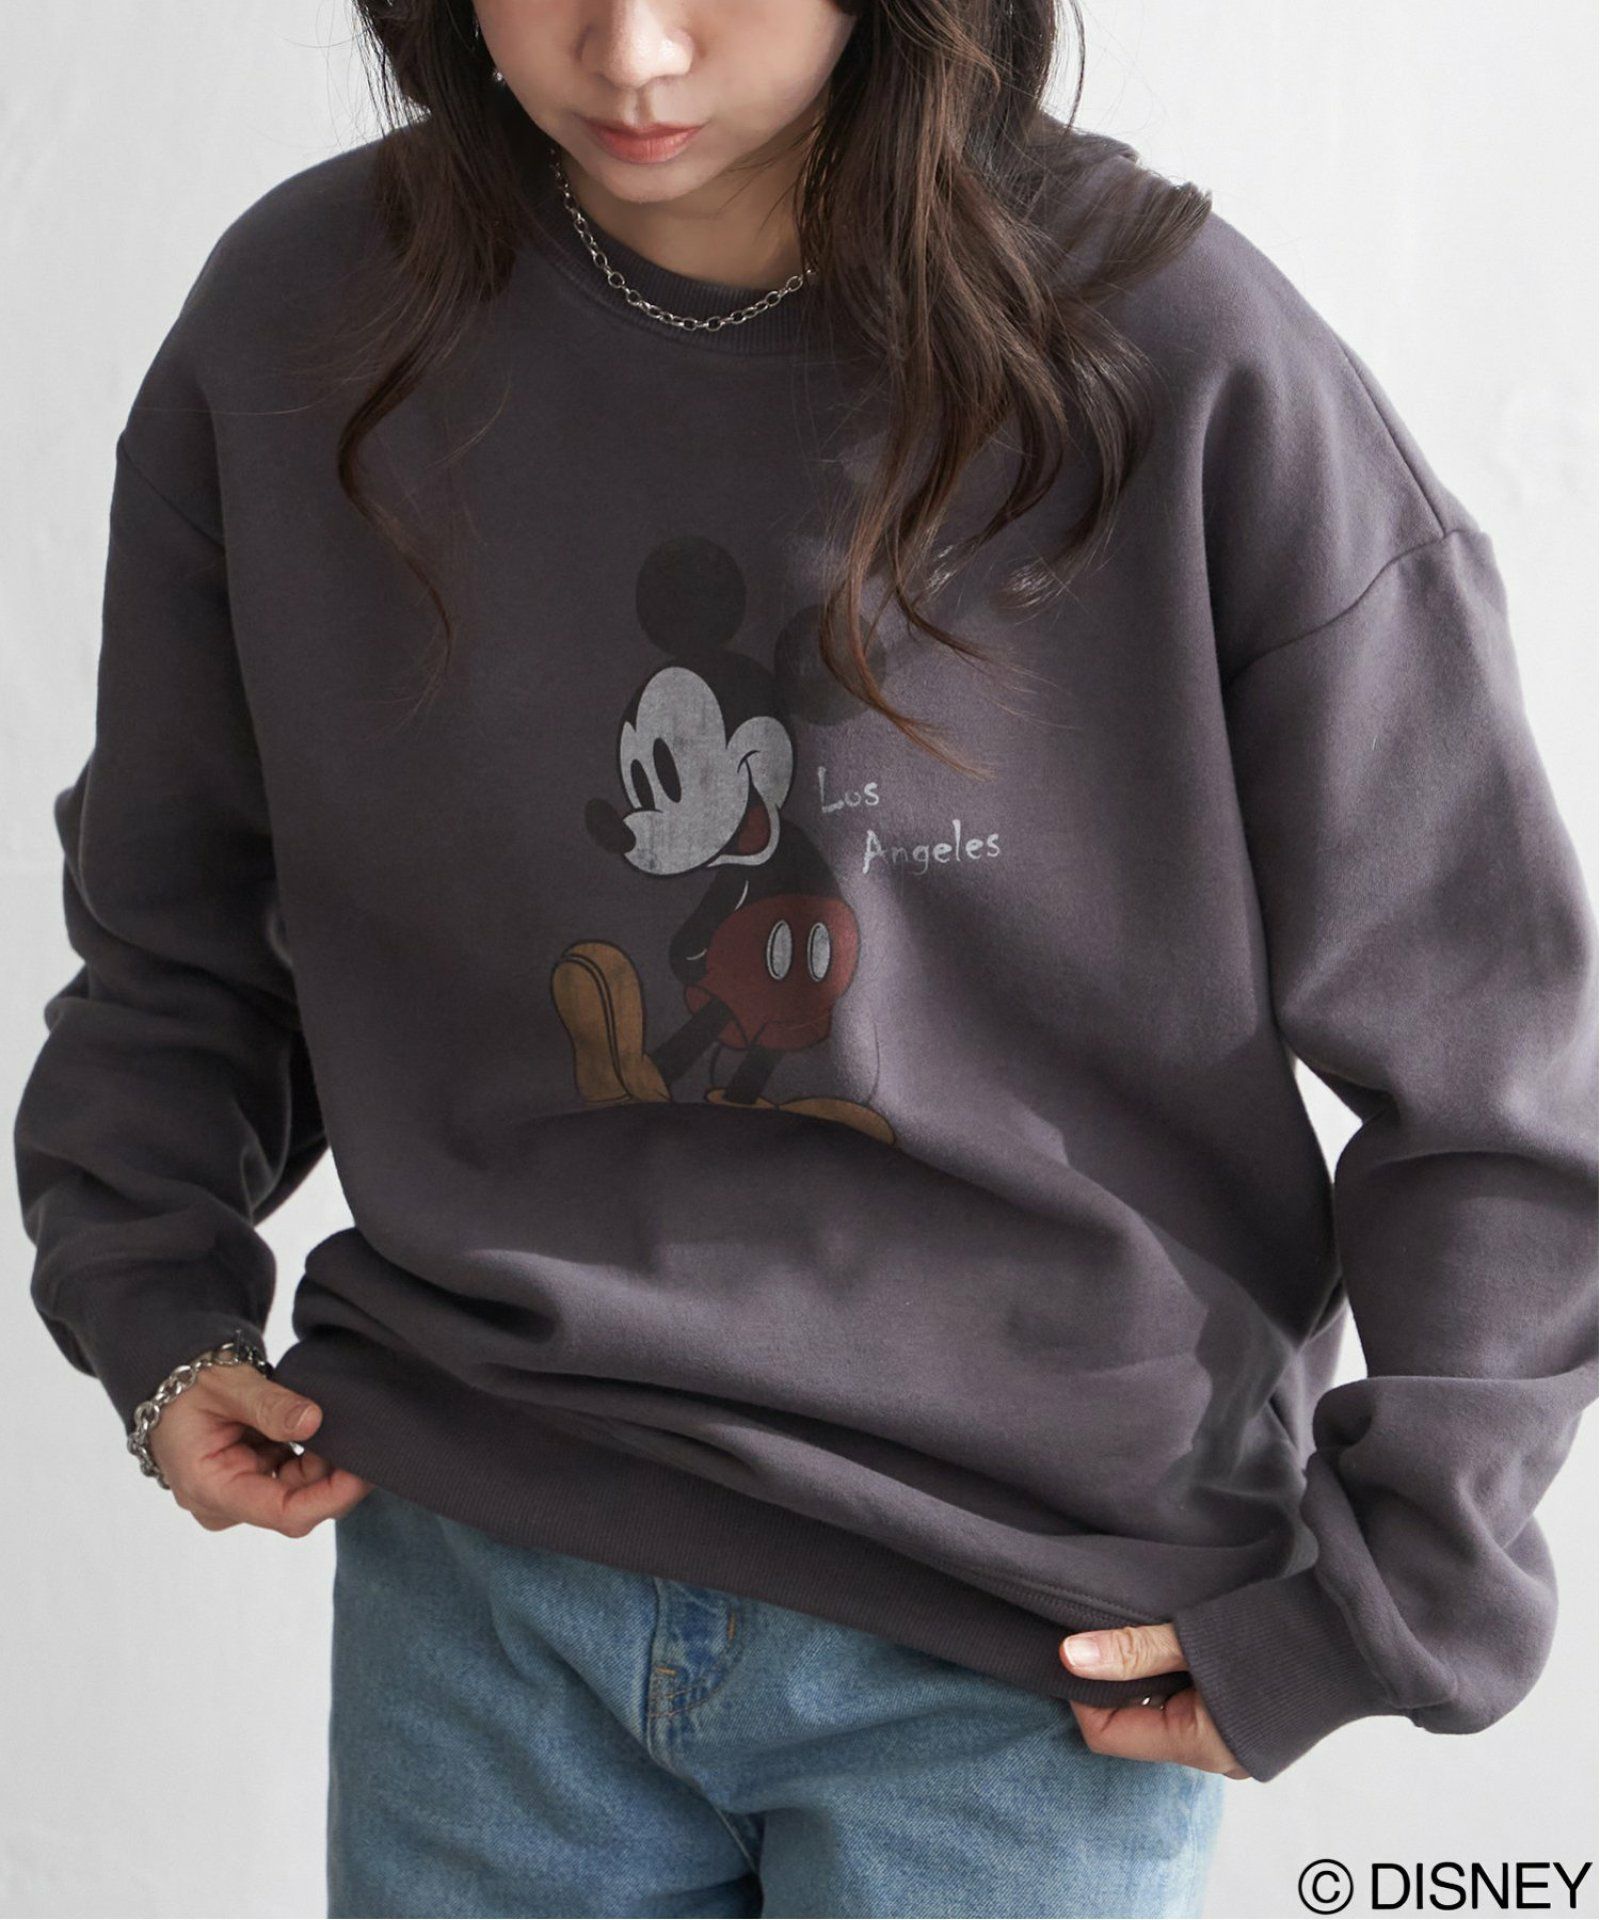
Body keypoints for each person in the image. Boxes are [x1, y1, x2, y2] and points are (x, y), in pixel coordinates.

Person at [14, 1, 1596, 1916]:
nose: (633, 51)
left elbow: (1496, 1050)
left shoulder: (1170, 350)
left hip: (1027, 1646)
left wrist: (1398, 1589)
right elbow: (183, 905)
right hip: (484, 1582)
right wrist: (150, 1291)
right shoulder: (304, 321)